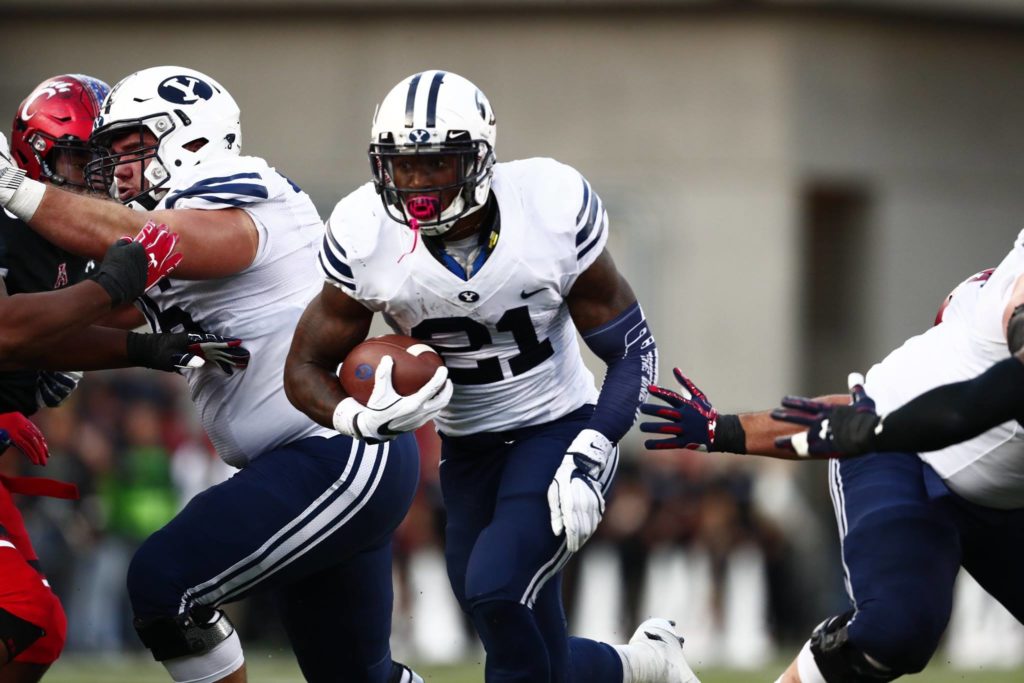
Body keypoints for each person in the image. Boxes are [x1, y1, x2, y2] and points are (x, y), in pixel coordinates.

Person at [0, 65, 423, 683]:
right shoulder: (167, 226)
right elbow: (75, 312)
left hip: (335, 450)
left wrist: (17, 189)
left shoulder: (238, 194)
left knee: (165, 582)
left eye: (130, 148)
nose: (114, 168)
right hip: (311, 460)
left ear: (189, 140)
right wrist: (86, 347)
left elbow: (146, 244)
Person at [285, 70, 698, 683]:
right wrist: (358, 417)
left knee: (498, 589)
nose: (417, 184)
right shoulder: (366, 232)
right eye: (402, 166)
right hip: (469, 448)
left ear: (478, 158)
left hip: (560, 431)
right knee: (518, 633)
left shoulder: (549, 208)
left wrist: (595, 445)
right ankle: (645, 666)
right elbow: (305, 367)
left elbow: (633, 350)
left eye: (435, 164)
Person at [640, 243, 1024, 682]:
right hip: (901, 452)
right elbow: (970, 406)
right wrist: (722, 431)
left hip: (1003, 493)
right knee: (895, 631)